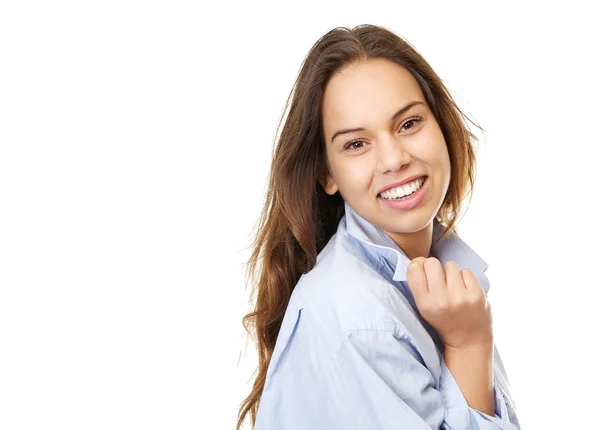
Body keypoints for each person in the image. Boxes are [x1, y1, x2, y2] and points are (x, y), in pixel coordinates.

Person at [237, 24, 521, 430]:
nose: (393, 159)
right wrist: (469, 343)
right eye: (356, 144)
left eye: (408, 124)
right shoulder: (356, 317)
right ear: (326, 173)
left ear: (441, 123)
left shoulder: (435, 273)